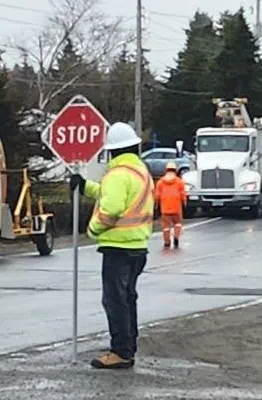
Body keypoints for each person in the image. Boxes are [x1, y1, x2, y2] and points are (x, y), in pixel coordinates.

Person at [69, 122, 154, 370]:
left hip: (118, 247)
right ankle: (129, 346)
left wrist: (93, 229)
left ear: (112, 151)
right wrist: (85, 187)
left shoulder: (117, 174)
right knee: (127, 299)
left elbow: (112, 208)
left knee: (115, 300)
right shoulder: (140, 172)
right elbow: (112, 195)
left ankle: (121, 352)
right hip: (138, 245)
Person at [155, 162, 187, 248]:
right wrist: (184, 203)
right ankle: (176, 237)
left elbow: (157, 195)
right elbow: (183, 194)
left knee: (166, 227)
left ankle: (167, 242)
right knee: (178, 223)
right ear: (175, 170)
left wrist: (156, 206)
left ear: (166, 170)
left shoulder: (160, 182)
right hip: (177, 207)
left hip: (165, 208)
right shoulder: (179, 181)